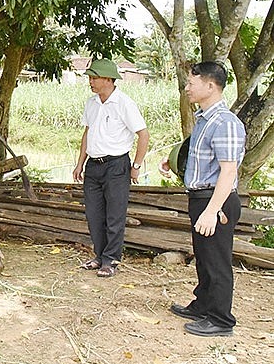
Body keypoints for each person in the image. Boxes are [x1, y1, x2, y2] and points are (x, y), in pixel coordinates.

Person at [160, 61, 245, 337]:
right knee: (204, 258)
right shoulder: (204, 119)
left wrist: (212, 210)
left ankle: (221, 320)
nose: (187, 88)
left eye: (191, 83)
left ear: (210, 86)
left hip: (215, 202)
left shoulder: (225, 123)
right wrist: (172, 161)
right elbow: (201, 159)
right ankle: (203, 305)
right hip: (201, 198)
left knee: (217, 261)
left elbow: (228, 170)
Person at [72, 59, 149, 278]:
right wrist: (80, 163)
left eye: (94, 78)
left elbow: (143, 135)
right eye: (90, 78)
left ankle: (111, 260)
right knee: (94, 214)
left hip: (117, 165)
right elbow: (88, 133)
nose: (91, 82)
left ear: (108, 79)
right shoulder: (92, 103)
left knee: (115, 214)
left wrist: (136, 166)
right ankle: (99, 256)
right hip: (94, 165)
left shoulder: (124, 103)